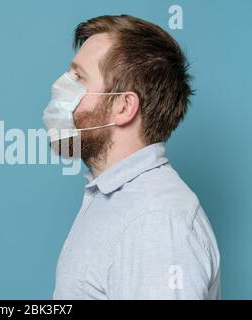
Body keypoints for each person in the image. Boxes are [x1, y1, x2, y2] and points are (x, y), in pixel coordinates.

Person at [43, 15, 220, 299]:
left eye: (79, 77)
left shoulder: (157, 224)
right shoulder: (113, 199)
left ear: (124, 107)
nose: (60, 86)